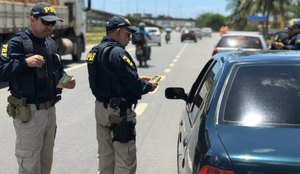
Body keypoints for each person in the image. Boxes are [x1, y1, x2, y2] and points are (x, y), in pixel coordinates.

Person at [0, 2, 76, 174]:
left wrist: (66, 82)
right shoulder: (15, 43)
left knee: (45, 164)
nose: (50, 27)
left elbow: (58, 72)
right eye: (46, 22)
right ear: (33, 19)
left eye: (53, 23)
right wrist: (25, 63)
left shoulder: (51, 43)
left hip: (50, 111)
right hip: (29, 114)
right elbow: (1, 72)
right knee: (30, 166)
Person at [86, 15, 158, 174]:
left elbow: (109, 79)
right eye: (128, 34)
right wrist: (149, 85)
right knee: (125, 161)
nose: (130, 39)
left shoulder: (94, 52)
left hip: (101, 110)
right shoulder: (119, 53)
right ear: (118, 32)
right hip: (119, 114)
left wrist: (136, 79)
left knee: (105, 158)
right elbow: (135, 86)